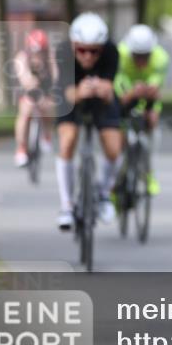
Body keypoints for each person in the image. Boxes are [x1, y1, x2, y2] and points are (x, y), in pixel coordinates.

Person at [53, 12, 122, 230]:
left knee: (113, 147)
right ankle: (66, 205)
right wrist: (80, 92)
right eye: (82, 50)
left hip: (100, 100)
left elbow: (111, 90)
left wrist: (104, 90)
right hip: (71, 97)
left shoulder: (112, 51)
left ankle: (103, 194)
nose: (88, 56)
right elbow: (66, 93)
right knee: (68, 140)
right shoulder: (63, 52)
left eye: (94, 51)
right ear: (74, 45)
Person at [114, 24, 169, 195]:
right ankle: (117, 178)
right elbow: (118, 86)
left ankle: (148, 173)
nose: (141, 61)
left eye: (145, 56)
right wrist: (129, 94)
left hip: (147, 93)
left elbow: (155, 86)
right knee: (120, 135)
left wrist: (149, 95)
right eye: (137, 56)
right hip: (125, 90)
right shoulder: (119, 54)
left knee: (151, 122)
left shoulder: (161, 57)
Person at [12, 29, 58, 167]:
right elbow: (24, 79)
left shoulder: (51, 57)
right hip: (29, 89)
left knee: (49, 107)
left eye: (41, 51)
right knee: (25, 111)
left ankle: (47, 134)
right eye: (34, 51)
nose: (37, 54)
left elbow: (56, 77)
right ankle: (21, 148)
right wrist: (30, 82)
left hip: (46, 88)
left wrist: (51, 95)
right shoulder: (22, 57)